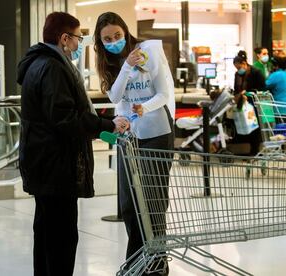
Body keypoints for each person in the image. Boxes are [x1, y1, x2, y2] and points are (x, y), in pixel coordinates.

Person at [17, 12, 129, 276]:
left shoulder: (37, 64)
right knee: (61, 239)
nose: (79, 44)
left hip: (42, 164)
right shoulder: (54, 67)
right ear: (64, 38)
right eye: (77, 38)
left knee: (45, 234)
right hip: (56, 167)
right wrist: (107, 125)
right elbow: (65, 119)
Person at [94, 12, 175, 275]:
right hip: (128, 136)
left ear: (126, 31)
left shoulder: (149, 51)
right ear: (100, 41)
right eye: (107, 39)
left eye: (118, 35)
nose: (114, 41)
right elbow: (115, 95)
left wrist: (144, 107)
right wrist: (126, 66)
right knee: (129, 204)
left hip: (157, 132)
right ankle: (138, 259)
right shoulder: (108, 62)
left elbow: (163, 94)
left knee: (153, 201)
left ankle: (155, 264)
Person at [233, 50, 265, 156]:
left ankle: (254, 150)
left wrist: (249, 93)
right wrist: (237, 95)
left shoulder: (256, 72)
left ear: (244, 63)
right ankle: (249, 150)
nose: (238, 70)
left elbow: (262, 88)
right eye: (236, 68)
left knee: (254, 127)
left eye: (239, 67)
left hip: (254, 104)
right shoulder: (237, 74)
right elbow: (236, 88)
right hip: (243, 104)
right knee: (245, 126)